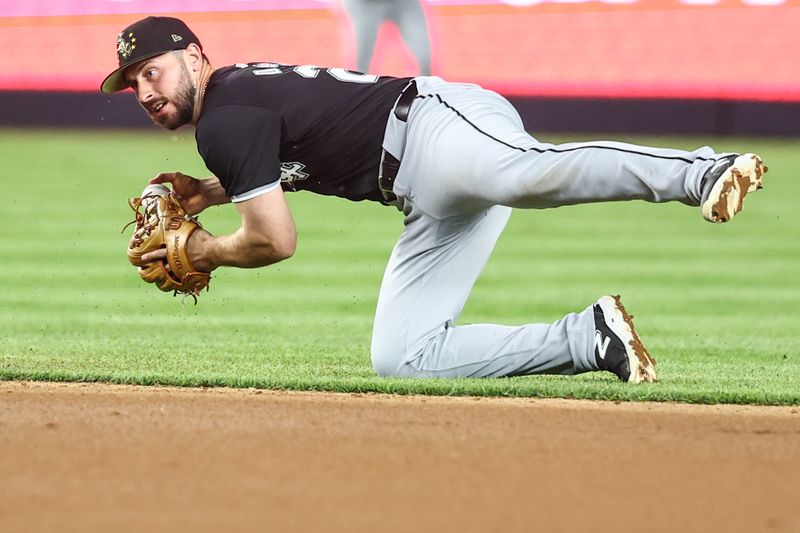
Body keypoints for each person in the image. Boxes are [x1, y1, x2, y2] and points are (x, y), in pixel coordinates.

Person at [102, 16, 767, 384]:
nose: (147, 92)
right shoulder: (237, 100)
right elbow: (299, 152)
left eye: (152, 71)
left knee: (524, 176)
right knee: (403, 354)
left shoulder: (223, 118)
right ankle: (592, 338)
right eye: (134, 86)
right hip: (421, 191)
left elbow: (275, 238)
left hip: (433, 125)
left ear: (193, 57)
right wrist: (211, 194)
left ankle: (702, 174)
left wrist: (206, 250)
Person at [341, 0, 432, 76]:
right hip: (365, 4)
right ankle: (359, 83)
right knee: (364, 46)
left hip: (403, 3)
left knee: (421, 45)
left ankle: (427, 82)